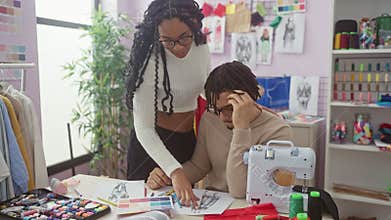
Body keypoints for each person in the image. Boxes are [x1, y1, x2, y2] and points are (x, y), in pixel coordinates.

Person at [146, 61, 293, 198]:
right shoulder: (211, 116)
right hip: (214, 203)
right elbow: (199, 166)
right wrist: (171, 174)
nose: (222, 117)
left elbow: (239, 191)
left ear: (250, 98)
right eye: (216, 109)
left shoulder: (278, 131)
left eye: (230, 108)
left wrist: (241, 128)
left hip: (250, 206)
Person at [125, 0, 210, 206]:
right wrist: (175, 171)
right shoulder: (149, 59)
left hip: (187, 140)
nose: (178, 47)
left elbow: (206, 88)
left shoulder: (200, 46)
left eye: (184, 38)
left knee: (185, 210)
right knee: (143, 210)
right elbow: (144, 128)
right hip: (151, 145)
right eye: (168, 41)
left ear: (194, 28)